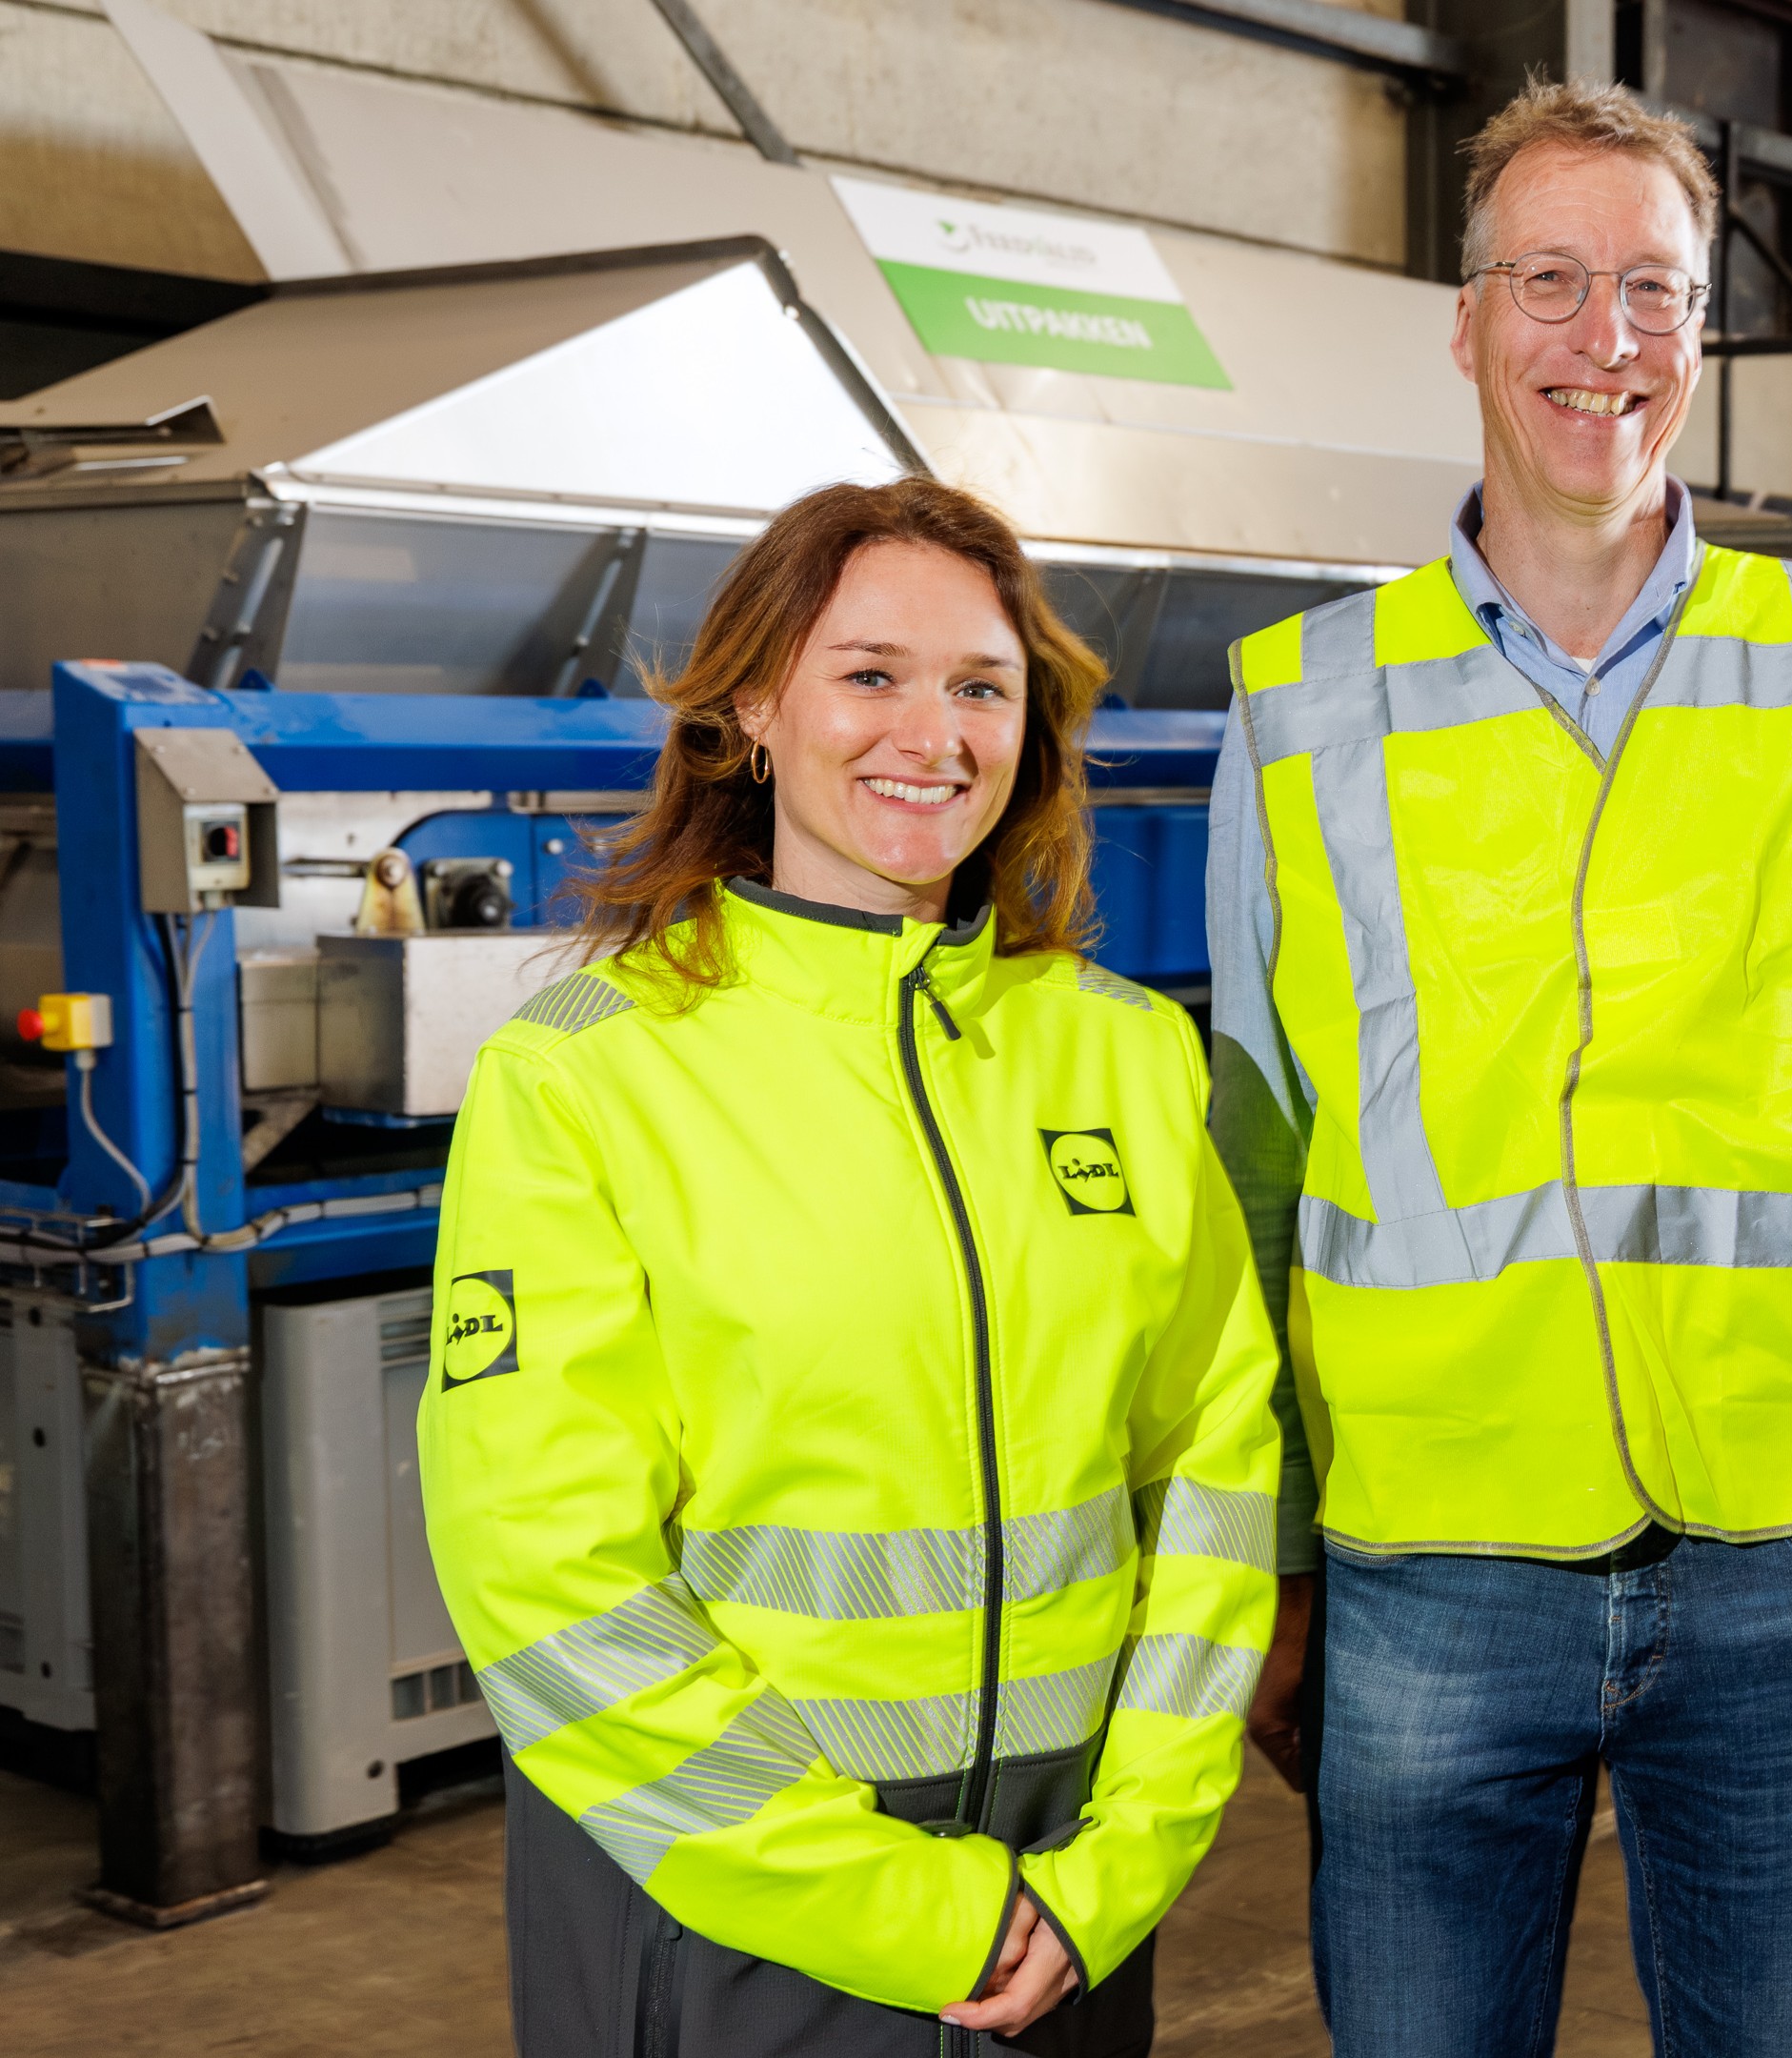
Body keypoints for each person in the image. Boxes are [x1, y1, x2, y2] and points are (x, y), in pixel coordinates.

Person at [1204, 82, 1792, 2057]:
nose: (1606, 340)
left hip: (1785, 1557)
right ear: (1472, 322)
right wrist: (1272, 1547)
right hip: (1428, 1562)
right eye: (1552, 283)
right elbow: (1249, 1162)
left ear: (1703, 334)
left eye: (1653, 290)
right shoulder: (1305, 703)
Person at [421, 479, 1282, 2055]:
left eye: (980, 686)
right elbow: (549, 1578)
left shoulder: (1133, 1060)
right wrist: (905, 1909)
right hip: (726, 1902)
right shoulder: (587, 1080)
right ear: (752, 706)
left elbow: (1213, 1480)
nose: (929, 734)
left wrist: (1120, 1866)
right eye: (870, 674)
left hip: (1064, 1915)